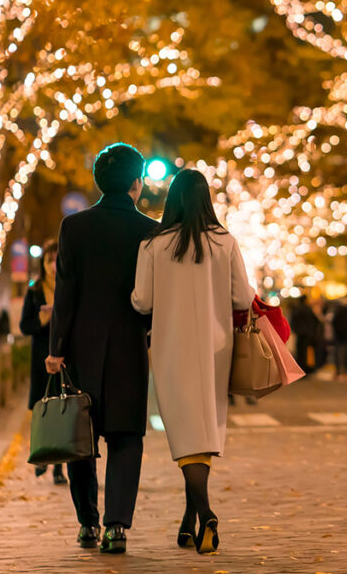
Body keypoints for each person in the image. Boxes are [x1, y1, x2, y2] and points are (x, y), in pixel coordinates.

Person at [131, 169, 255, 555]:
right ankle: (190, 521)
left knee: (187, 434)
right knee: (202, 430)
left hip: (171, 347)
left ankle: (206, 514)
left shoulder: (153, 245)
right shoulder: (226, 242)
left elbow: (142, 301)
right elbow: (242, 298)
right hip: (216, 348)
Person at [46, 143, 158, 554]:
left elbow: (66, 294)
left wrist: (57, 348)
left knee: (81, 438)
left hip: (81, 350)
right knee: (127, 438)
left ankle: (88, 523)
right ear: (136, 182)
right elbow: (153, 298)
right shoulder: (150, 231)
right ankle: (117, 527)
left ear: (98, 181)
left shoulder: (74, 227)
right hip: (129, 348)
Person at [20, 240, 66, 486]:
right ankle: (41, 456)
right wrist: (41, 318)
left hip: (63, 359)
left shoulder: (68, 285)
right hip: (40, 358)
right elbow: (24, 326)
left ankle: (59, 466)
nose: (52, 266)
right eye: (48, 261)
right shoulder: (34, 289)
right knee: (41, 411)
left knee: (62, 411)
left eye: (55, 260)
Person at [289, 295, 321, 376]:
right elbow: (316, 321)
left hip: (300, 333)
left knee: (299, 351)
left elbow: (293, 321)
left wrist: (295, 329)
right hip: (308, 334)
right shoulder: (308, 309)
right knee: (306, 351)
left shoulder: (297, 309)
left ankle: (299, 368)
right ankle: (306, 369)